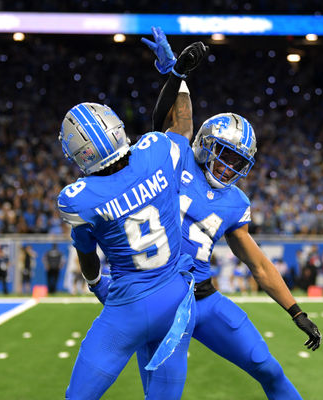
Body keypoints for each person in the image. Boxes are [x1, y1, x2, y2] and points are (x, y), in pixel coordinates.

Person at [131, 27, 321, 399]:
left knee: (268, 367)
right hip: (160, 302)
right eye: (225, 154)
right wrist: (177, 75)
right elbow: (174, 122)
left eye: (238, 161)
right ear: (206, 144)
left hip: (205, 299)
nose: (229, 166)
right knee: (164, 395)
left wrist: (296, 311)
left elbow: (260, 265)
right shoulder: (176, 160)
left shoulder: (235, 201)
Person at [57, 40, 208, 400]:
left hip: (127, 307)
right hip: (176, 298)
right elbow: (182, 125)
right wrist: (179, 76)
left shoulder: (79, 199)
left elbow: (88, 255)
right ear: (117, 127)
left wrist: (96, 284)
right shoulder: (157, 151)